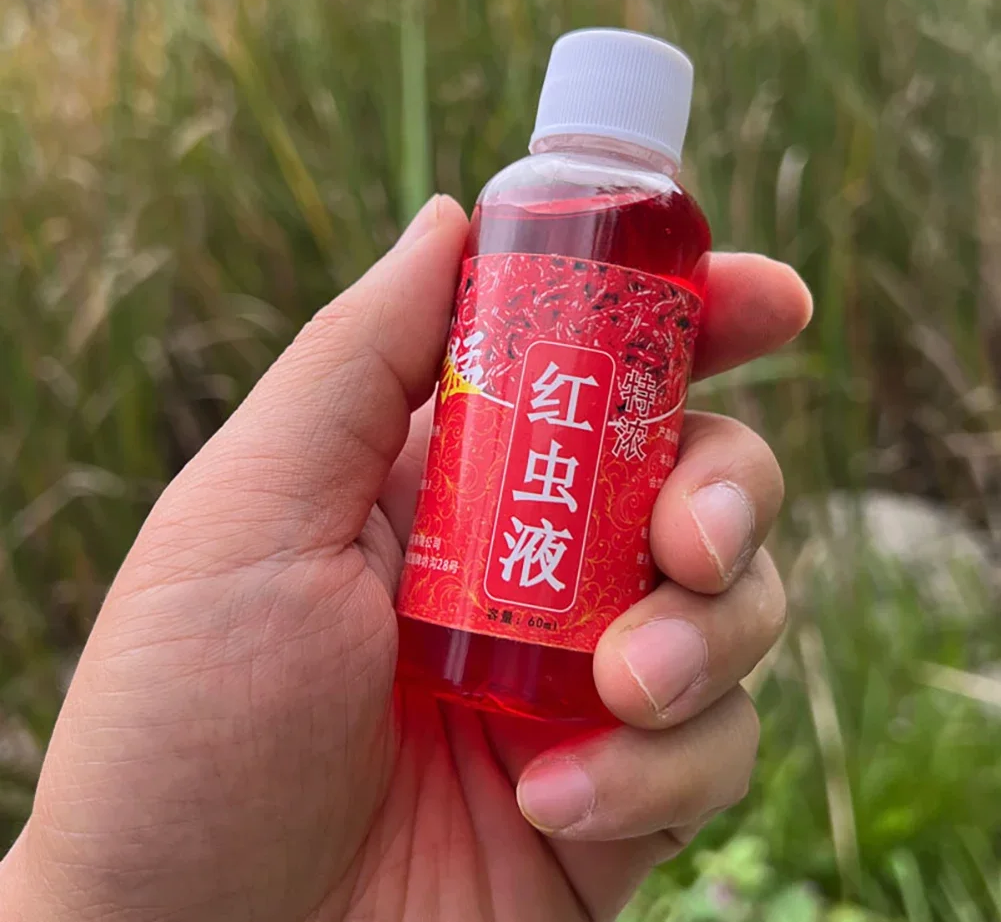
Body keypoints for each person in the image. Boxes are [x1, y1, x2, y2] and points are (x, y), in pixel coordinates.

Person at [0, 196, 812, 921]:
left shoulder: (659, 228)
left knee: (670, 577)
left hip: (484, 802)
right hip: (393, 712)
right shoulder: (527, 206)